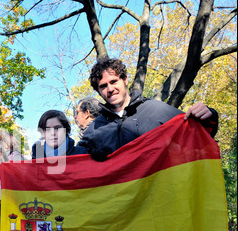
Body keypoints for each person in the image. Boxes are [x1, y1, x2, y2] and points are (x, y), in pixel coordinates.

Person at [78, 58, 218, 161]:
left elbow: (198, 133)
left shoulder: (157, 110)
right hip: (120, 199)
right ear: (98, 91)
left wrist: (209, 115)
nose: (110, 89)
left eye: (114, 81)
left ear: (125, 80)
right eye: (103, 86)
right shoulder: (93, 130)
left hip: (159, 197)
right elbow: (74, 163)